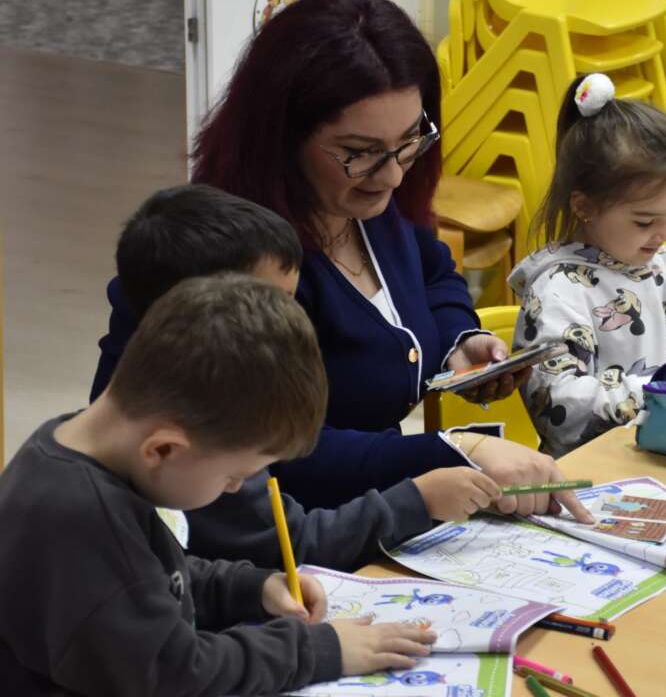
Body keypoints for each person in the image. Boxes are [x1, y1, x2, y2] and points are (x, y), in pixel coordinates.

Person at [91, 0, 590, 520]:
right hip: (276, 534)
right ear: (282, 135)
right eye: (359, 152)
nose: (393, 174)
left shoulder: (363, 202)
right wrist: (453, 451)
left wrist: (457, 341)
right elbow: (269, 451)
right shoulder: (230, 259)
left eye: (410, 140)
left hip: (359, 515)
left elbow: (432, 270)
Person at [0, 275, 438, 695]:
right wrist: (318, 649)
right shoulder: (80, 520)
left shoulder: (79, 446)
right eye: (234, 476)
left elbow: (150, 577)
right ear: (164, 449)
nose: (235, 489)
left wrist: (249, 588)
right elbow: (173, 674)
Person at [92, 184, 530, 571]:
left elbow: (194, 577)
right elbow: (281, 545)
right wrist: (418, 499)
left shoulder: (194, 411)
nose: (288, 323)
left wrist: (254, 592)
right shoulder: (200, 433)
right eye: (272, 306)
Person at [510, 73, 666, 458]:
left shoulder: (660, 260)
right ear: (584, 207)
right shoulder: (559, 291)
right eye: (645, 221)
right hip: (597, 468)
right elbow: (558, 406)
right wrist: (662, 391)